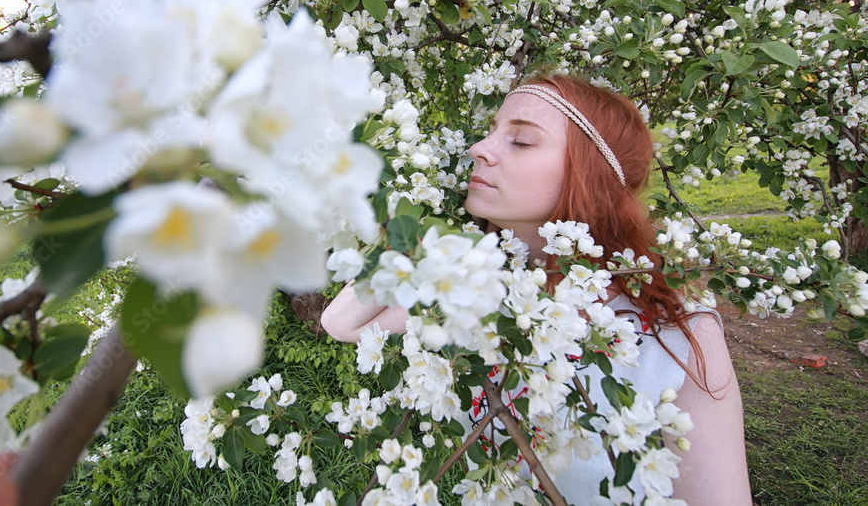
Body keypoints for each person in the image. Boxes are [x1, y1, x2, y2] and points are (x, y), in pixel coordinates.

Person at [321, 73, 752, 504]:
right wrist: (411, 240)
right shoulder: (480, 296)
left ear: (591, 174)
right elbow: (342, 322)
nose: (478, 149)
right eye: (491, 131)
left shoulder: (673, 333)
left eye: (521, 141)